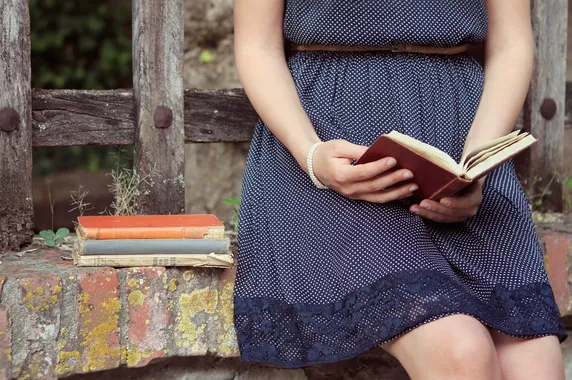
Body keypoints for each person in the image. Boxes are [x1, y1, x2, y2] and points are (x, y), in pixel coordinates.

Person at [232, 0, 568, 378]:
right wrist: (311, 156)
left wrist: (477, 169)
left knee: (537, 367)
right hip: (333, 151)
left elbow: (512, 44)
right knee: (462, 354)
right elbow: (256, 45)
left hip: (462, 139)